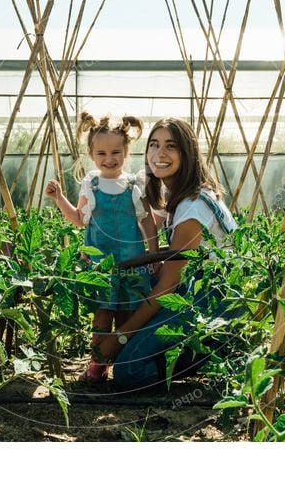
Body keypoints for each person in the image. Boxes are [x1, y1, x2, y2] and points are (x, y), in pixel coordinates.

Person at [96, 117, 238, 391]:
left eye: (170, 146)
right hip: (206, 291)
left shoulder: (191, 209)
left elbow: (168, 286)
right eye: (154, 145)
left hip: (216, 303)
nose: (159, 154)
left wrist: (120, 338)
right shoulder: (187, 196)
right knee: (139, 281)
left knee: (130, 371)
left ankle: (218, 346)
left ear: (188, 153)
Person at [45, 112, 158, 382]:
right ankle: (97, 365)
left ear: (126, 152)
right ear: (92, 154)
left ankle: (123, 365)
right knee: (102, 315)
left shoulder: (134, 184)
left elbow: (148, 221)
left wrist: (152, 254)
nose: (110, 159)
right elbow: (79, 220)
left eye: (116, 152)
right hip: (100, 266)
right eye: (102, 153)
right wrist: (59, 198)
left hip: (132, 262)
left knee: (127, 314)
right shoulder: (92, 184)